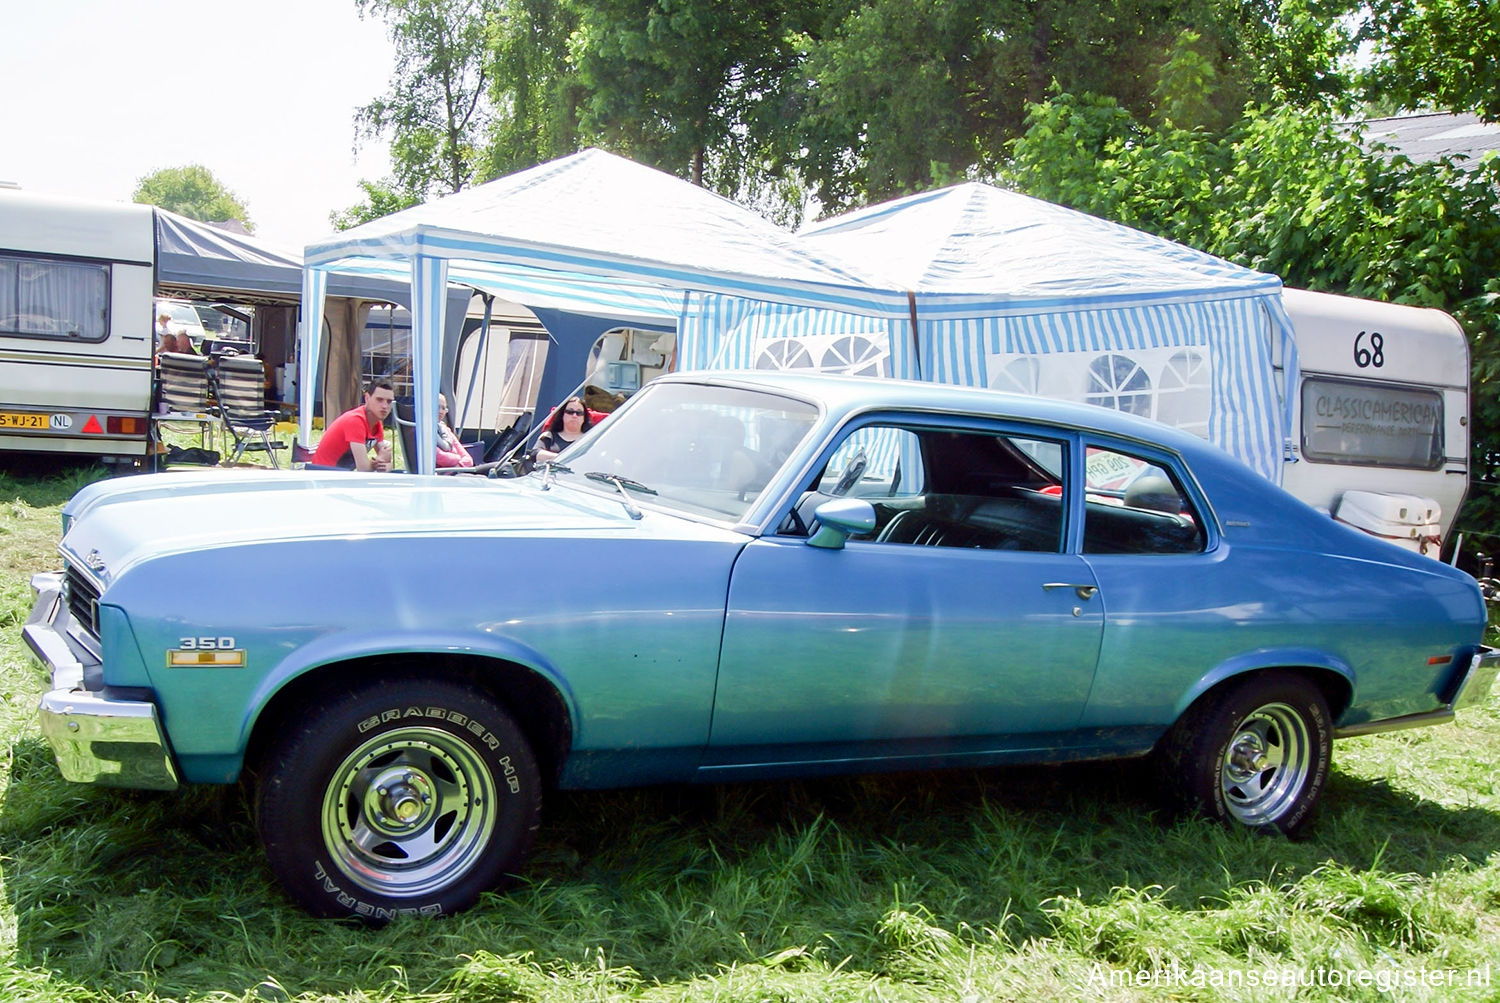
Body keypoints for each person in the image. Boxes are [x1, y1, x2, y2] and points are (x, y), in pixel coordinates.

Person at [310, 380, 395, 471]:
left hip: (342, 475)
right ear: (367, 398)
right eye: (379, 400)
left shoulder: (377, 423)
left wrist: (384, 463)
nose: (385, 406)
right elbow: (363, 470)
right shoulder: (355, 420)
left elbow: (386, 461)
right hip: (324, 475)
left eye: (389, 401)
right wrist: (379, 461)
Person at [530, 396, 593, 465]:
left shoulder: (590, 439)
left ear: (584, 418)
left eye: (579, 413)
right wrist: (563, 458)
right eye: (570, 412)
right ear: (562, 415)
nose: (574, 415)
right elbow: (534, 454)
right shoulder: (548, 436)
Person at [435, 393, 474, 468]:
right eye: (437, 407)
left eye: (443, 408)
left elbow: (468, 459)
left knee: (495, 467)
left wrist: (459, 466)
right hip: (441, 475)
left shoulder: (446, 430)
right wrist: (458, 458)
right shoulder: (425, 432)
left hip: (457, 472)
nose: (440, 411)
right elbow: (439, 457)